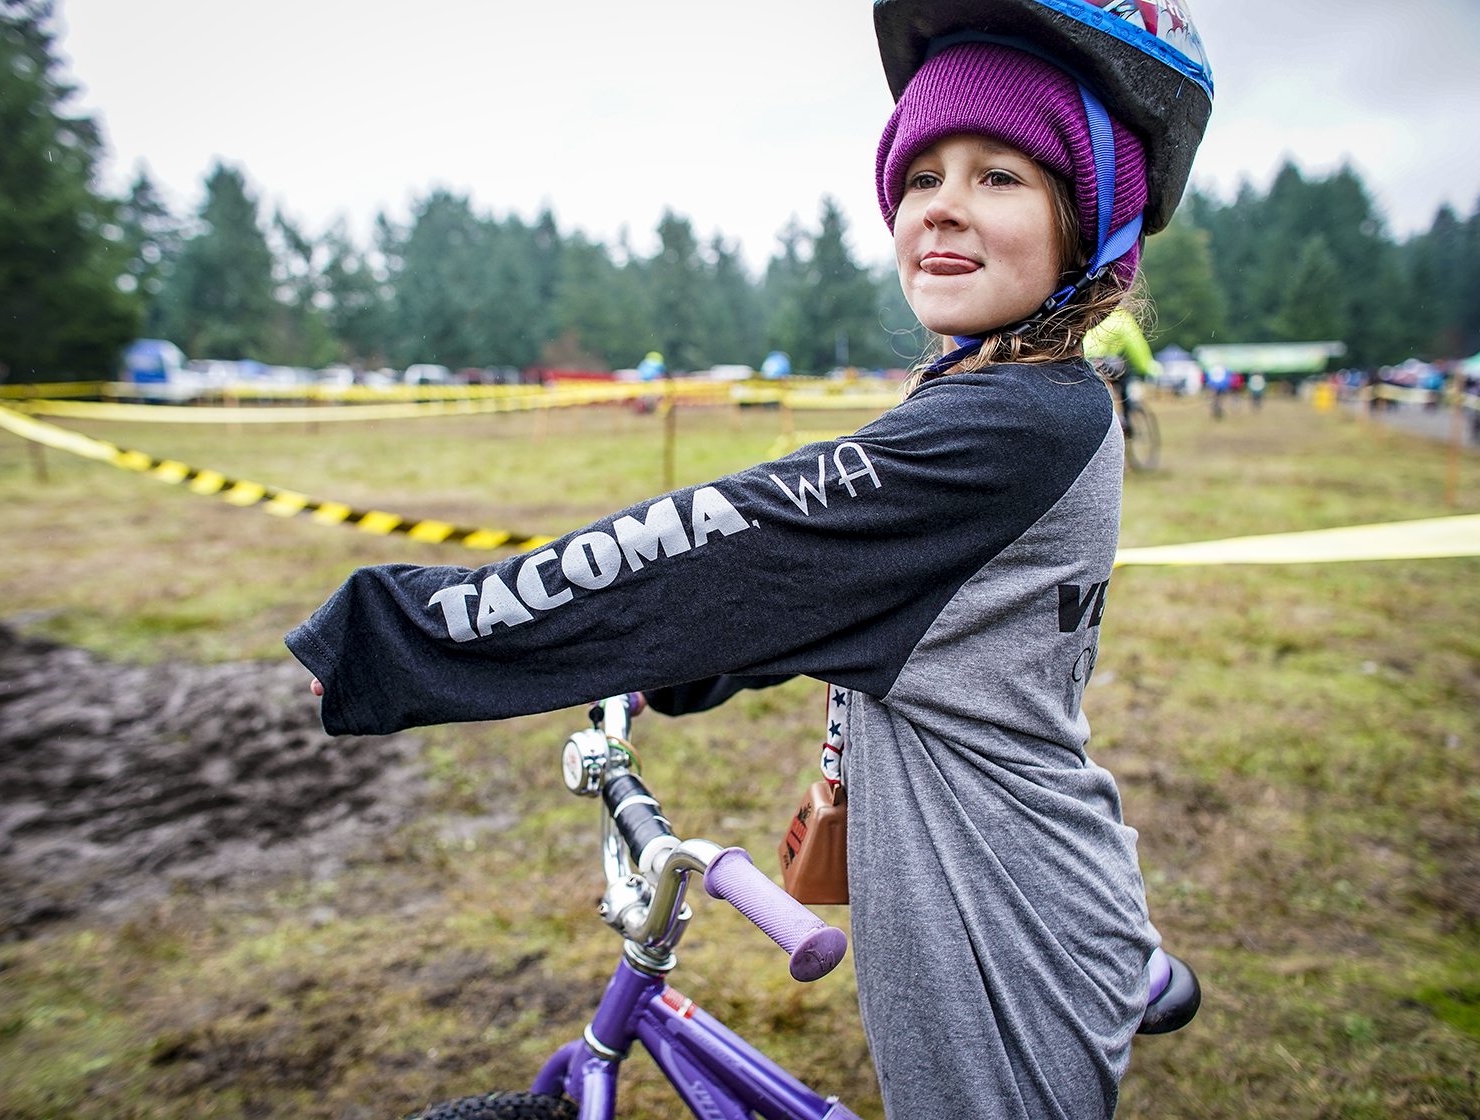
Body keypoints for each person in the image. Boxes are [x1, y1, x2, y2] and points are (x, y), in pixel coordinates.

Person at [286, 2, 1214, 1117]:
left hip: (1004, 928)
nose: (943, 209)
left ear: (1089, 217)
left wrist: (407, 634)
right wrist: (672, 668)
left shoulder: (1013, 425)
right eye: (919, 177)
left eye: (1000, 176)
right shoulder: (1029, 396)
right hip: (1038, 867)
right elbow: (833, 585)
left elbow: (730, 546)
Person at [1085, 305, 1158, 433]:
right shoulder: (1122, 317)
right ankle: (1126, 419)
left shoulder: (1094, 310)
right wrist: (1149, 369)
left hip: (1079, 355)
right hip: (1096, 357)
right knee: (1125, 373)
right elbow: (1137, 348)